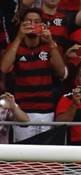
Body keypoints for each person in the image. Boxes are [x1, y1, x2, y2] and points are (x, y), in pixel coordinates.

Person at [0, 9, 67, 141]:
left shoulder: (49, 46)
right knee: (23, 156)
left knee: (45, 157)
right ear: (21, 25)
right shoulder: (15, 47)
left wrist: (51, 42)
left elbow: (62, 73)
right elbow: (4, 68)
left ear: (43, 25)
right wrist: (19, 37)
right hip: (22, 112)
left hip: (46, 111)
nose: (32, 25)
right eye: (28, 22)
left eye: (36, 22)